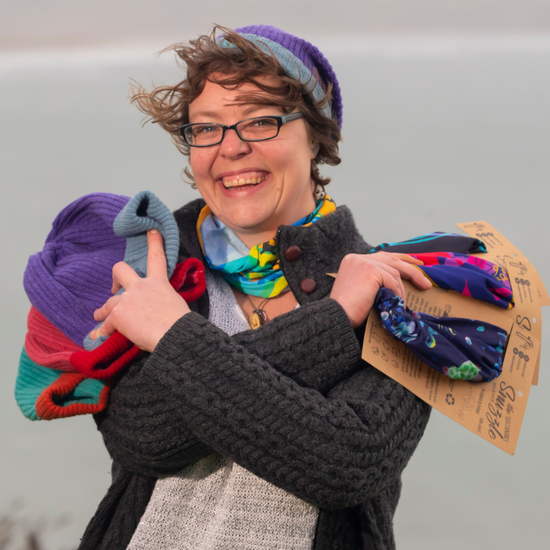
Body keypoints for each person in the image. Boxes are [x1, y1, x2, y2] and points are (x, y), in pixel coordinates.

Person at [79, 25, 433, 550]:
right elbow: (142, 435)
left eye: (261, 121)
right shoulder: (154, 262)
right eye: (206, 129)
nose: (232, 149)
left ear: (316, 135)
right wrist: (334, 324)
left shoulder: (402, 289)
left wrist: (171, 334)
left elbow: (346, 462)